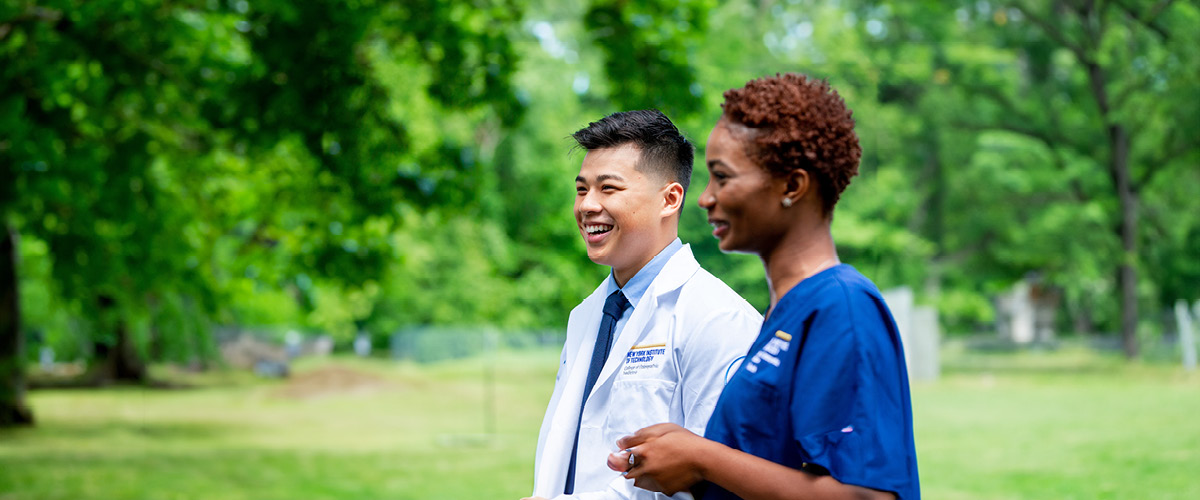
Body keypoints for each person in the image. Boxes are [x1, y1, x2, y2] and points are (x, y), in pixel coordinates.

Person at [606, 74, 920, 499]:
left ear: (792, 186)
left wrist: (701, 458)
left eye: (723, 177)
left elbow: (866, 495)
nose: (705, 197)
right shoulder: (783, 311)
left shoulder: (841, 306)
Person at [526, 109, 762, 500]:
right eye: (582, 189)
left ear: (669, 199)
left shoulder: (718, 319)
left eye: (609, 188)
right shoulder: (586, 316)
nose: (586, 206)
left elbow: (719, 476)